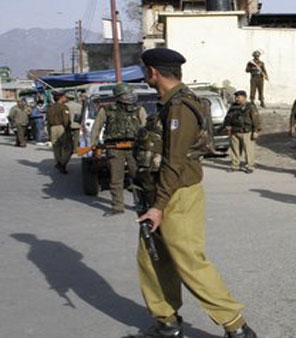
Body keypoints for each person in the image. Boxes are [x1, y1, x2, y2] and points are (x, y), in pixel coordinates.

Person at [134, 48, 257, 338]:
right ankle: (166, 322)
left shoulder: (180, 107)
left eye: (145, 71)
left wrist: (159, 205)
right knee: (152, 258)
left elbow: (175, 161)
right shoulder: (168, 103)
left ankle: (236, 326)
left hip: (177, 194)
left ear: (153, 72)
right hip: (160, 193)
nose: (145, 76)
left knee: (189, 260)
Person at [90, 84, 147, 217]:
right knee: (116, 179)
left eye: (130, 93)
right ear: (118, 97)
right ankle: (117, 206)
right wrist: (94, 144)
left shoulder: (139, 109)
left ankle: (144, 204)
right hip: (114, 148)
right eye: (126, 94)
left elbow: (145, 128)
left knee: (139, 177)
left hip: (135, 148)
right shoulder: (107, 110)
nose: (130, 97)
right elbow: (96, 127)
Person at [222, 90, 262, 173]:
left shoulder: (250, 106)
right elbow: (228, 117)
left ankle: (249, 166)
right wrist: (227, 125)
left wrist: (256, 131)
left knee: (248, 150)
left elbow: (256, 119)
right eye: (236, 97)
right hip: (234, 131)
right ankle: (235, 165)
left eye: (238, 97)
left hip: (246, 132)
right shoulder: (233, 106)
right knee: (235, 150)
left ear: (244, 97)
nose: (237, 99)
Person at [47, 92, 73, 174]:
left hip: (52, 128)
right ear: (60, 98)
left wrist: (49, 132)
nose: (66, 98)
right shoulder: (64, 107)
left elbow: (47, 121)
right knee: (68, 148)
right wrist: (68, 129)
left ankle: (58, 162)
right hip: (61, 128)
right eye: (64, 97)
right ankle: (62, 163)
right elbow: (66, 120)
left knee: (56, 147)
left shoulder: (50, 107)